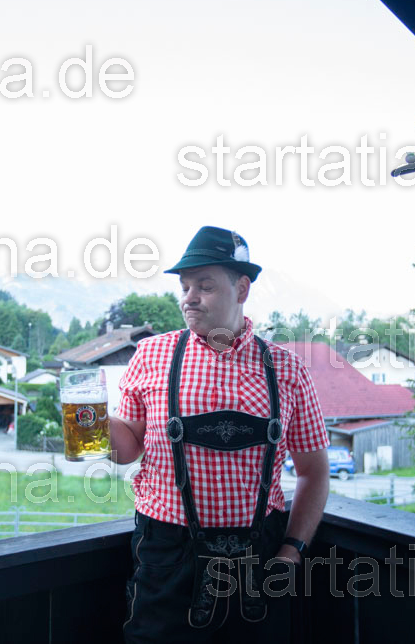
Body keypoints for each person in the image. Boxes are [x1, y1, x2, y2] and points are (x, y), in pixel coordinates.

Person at [109, 226, 330, 643]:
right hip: (167, 554)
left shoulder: (287, 369)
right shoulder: (151, 355)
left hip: (260, 559)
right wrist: (93, 425)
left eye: (205, 286)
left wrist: (292, 550)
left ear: (241, 288)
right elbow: (127, 449)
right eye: (185, 286)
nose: (189, 297)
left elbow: (314, 472)